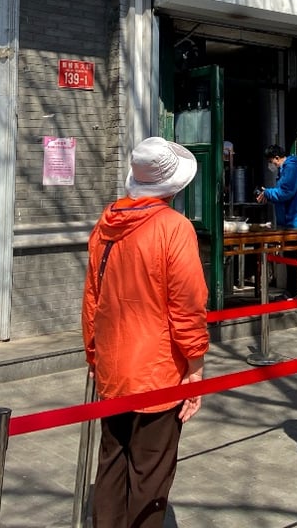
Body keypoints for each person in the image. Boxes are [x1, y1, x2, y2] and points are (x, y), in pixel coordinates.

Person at [82, 137, 209, 527]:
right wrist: (195, 366)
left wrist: (93, 354)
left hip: (113, 364)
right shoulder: (175, 228)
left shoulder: (106, 224)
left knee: (112, 461)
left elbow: (92, 300)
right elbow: (187, 305)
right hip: (158, 368)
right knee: (150, 476)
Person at [257, 144, 297, 228]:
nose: (270, 165)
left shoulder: (291, 168)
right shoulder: (284, 169)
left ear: (277, 158)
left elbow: (286, 192)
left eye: (270, 161)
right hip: (290, 220)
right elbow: (282, 192)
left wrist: (267, 193)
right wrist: (267, 195)